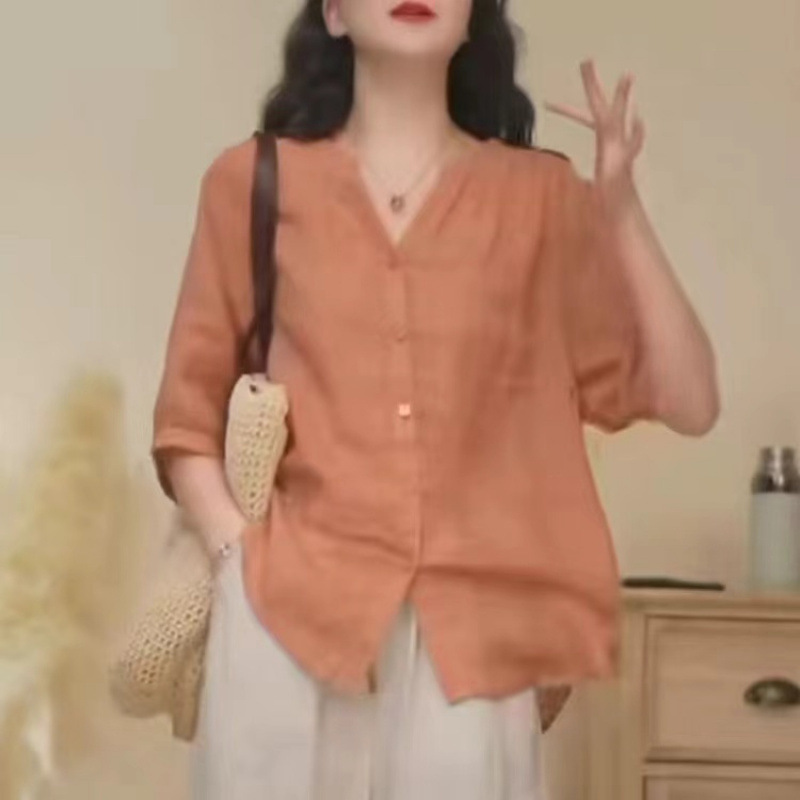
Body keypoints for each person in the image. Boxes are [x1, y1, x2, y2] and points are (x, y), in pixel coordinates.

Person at [152, 0, 720, 798]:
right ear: (335, 15)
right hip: (287, 628)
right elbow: (186, 418)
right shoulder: (250, 183)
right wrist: (236, 561)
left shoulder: (540, 199)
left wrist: (620, 210)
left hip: (474, 649)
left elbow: (690, 400)